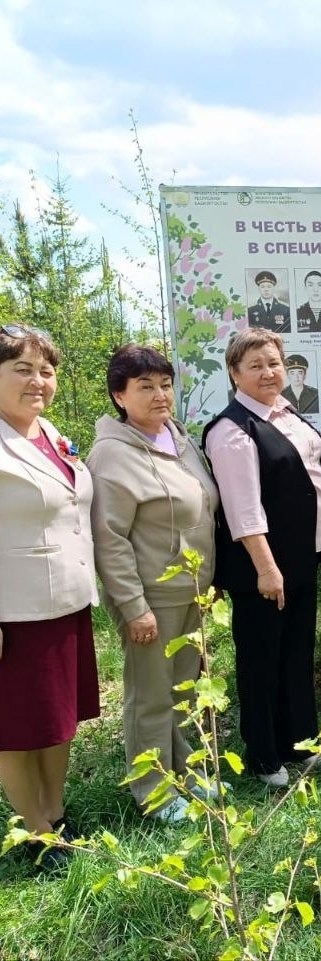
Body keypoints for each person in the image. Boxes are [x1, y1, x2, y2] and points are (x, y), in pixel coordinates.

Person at [87, 344, 219, 823]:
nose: (160, 395)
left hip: (193, 591)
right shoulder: (112, 455)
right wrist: (133, 605)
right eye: (145, 387)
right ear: (120, 395)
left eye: (165, 384)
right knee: (150, 696)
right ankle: (154, 791)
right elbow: (110, 539)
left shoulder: (179, 440)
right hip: (150, 598)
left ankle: (185, 769)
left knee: (185, 688)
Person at [202, 328, 321, 788]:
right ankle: (263, 755)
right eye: (255, 365)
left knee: (295, 655)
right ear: (235, 373)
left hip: (299, 561)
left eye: (274, 362)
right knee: (262, 662)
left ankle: (298, 741)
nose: (268, 372)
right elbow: (243, 510)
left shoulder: (285, 414)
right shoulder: (232, 430)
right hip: (265, 569)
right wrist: (266, 568)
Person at [0, 324, 99, 869]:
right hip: (12, 612)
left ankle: (55, 811)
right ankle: (34, 834)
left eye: (45, 370)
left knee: (58, 719)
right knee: (14, 729)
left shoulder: (49, 432)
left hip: (65, 601)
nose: (37, 381)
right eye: (21, 368)